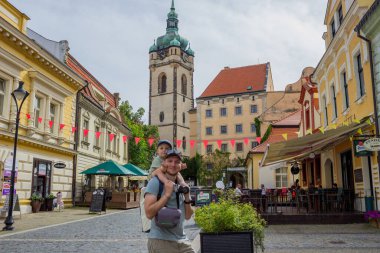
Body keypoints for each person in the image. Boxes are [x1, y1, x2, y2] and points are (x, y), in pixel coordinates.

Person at [145, 150, 195, 253]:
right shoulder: (155, 182)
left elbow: (188, 216)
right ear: (163, 163)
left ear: (180, 165)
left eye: (177, 162)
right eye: (170, 161)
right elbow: (149, 214)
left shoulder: (182, 186)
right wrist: (166, 195)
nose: (173, 164)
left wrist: (187, 196)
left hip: (182, 240)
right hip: (160, 240)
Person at [141, 140, 188, 232]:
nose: (164, 150)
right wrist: (167, 182)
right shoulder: (157, 159)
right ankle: (169, 183)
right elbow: (159, 172)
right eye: (161, 148)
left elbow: (174, 169)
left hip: (163, 175)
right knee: (160, 171)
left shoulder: (168, 160)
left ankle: (183, 184)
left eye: (167, 149)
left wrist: (180, 166)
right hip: (154, 174)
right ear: (157, 151)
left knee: (177, 173)